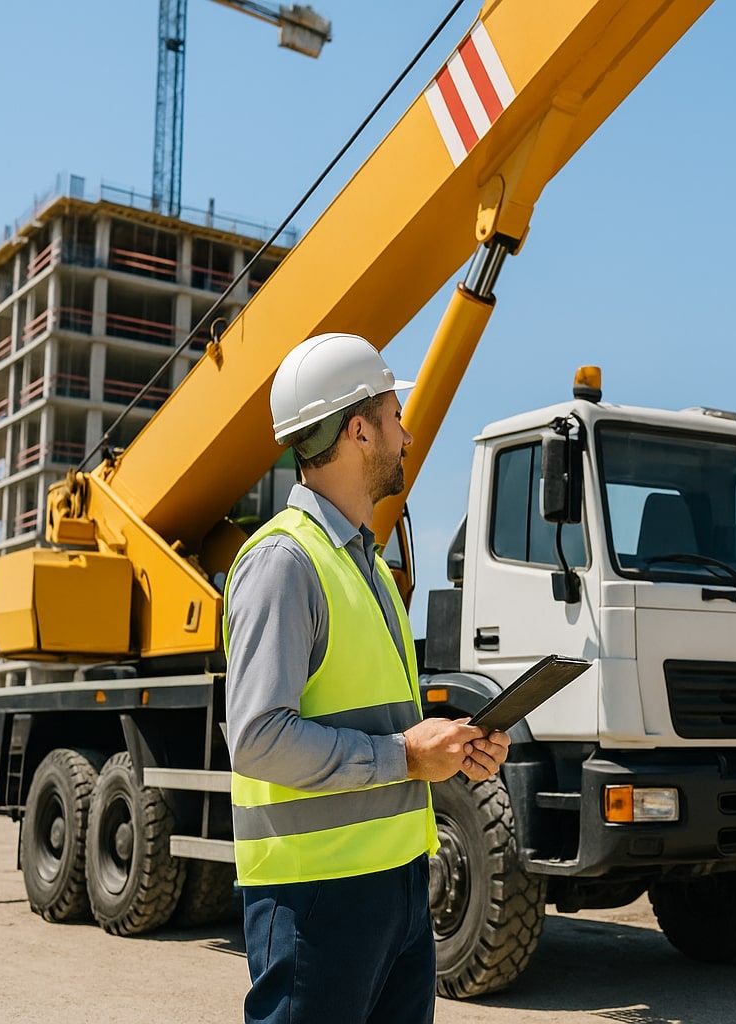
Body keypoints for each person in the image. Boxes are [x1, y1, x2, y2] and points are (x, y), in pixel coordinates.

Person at [223, 332, 510, 1024]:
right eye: (394, 417)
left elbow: (384, 723)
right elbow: (258, 738)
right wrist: (406, 756)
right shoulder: (285, 563)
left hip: (397, 886)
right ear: (357, 429)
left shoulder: (369, 565)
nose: (406, 436)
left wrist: (453, 752)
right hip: (316, 899)